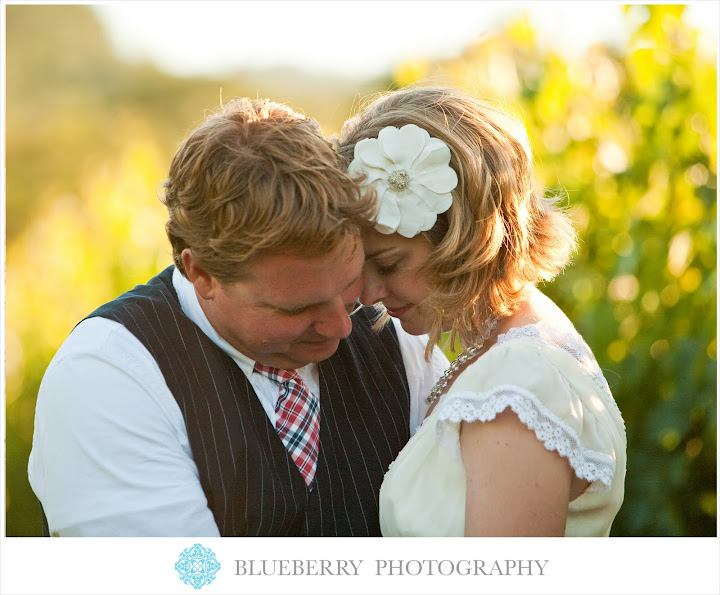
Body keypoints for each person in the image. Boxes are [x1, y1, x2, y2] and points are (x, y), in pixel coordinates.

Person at [28, 98, 448, 537]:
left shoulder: (397, 340)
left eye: (347, 290)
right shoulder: (108, 376)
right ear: (201, 274)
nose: (341, 328)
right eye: (296, 308)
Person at [335, 86, 627, 537]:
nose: (368, 293)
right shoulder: (509, 347)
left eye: (390, 264)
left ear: (465, 238)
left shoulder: (518, 385)